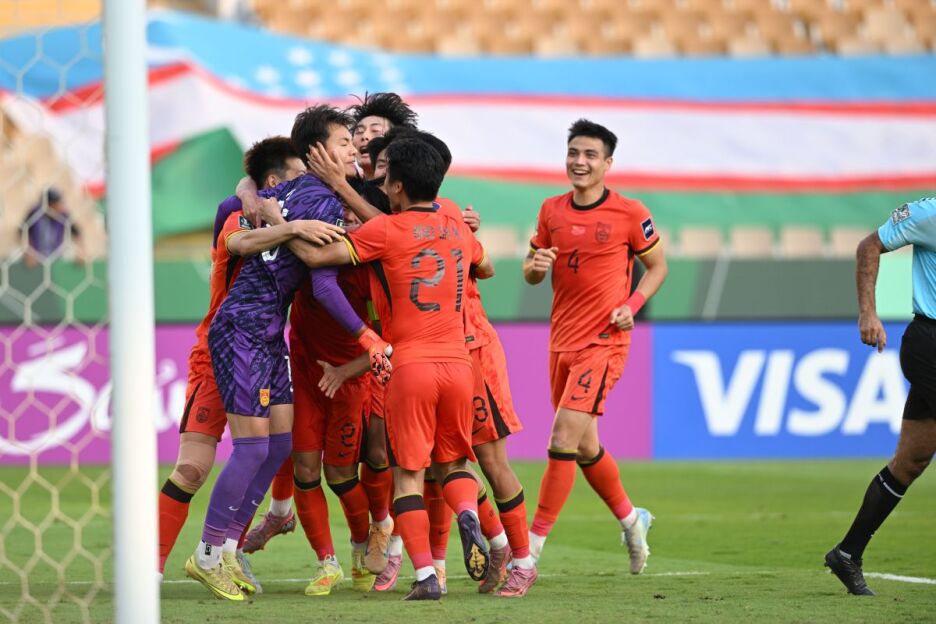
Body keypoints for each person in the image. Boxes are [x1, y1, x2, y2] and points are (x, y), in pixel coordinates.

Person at [184, 106, 388, 602]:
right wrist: (366, 336)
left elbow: (244, 195)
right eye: (344, 142)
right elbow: (322, 283)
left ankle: (228, 548)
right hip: (243, 328)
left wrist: (260, 201)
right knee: (253, 449)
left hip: (269, 332)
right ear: (317, 151)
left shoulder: (292, 192)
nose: (354, 149)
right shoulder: (321, 202)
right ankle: (207, 554)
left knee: (278, 447)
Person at [289, 138, 495, 601]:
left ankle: (425, 576)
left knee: (408, 476)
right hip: (458, 364)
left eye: (386, 180)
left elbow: (318, 258)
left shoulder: (386, 232)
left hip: (411, 365)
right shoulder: (455, 224)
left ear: (397, 186)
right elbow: (487, 268)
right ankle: (467, 512)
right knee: (454, 464)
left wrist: (284, 225)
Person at [156, 137, 326, 588]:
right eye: (298, 176)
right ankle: (148, 571)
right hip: (218, 353)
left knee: (273, 448)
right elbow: (239, 237)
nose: (305, 184)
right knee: (192, 469)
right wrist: (283, 220)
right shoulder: (240, 212)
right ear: (273, 181)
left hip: (265, 348)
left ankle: (228, 550)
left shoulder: (298, 214)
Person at [522, 119, 667, 573]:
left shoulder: (629, 212)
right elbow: (530, 270)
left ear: (607, 163)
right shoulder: (551, 210)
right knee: (585, 447)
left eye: (590, 155)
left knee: (561, 439)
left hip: (604, 342)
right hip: (560, 343)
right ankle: (633, 521)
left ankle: (529, 551)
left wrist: (632, 304)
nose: (579, 162)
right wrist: (535, 266)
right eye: (573, 153)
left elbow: (658, 267)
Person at [825, 197, 936, 596]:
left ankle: (847, 554)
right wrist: (868, 313)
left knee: (911, 461)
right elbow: (869, 246)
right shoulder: (928, 213)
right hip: (930, 342)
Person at [347, 92, 418, 180]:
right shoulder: (341, 184)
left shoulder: (412, 186)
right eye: (359, 131)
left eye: (375, 130)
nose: (364, 136)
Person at [21, 187, 81, 267]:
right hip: (37, 256)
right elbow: (22, 233)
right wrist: (29, 252)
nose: (59, 207)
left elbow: (77, 233)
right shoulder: (34, 213)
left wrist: (80, 252)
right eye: (56, 204)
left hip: (57, 254)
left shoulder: (63, 215)